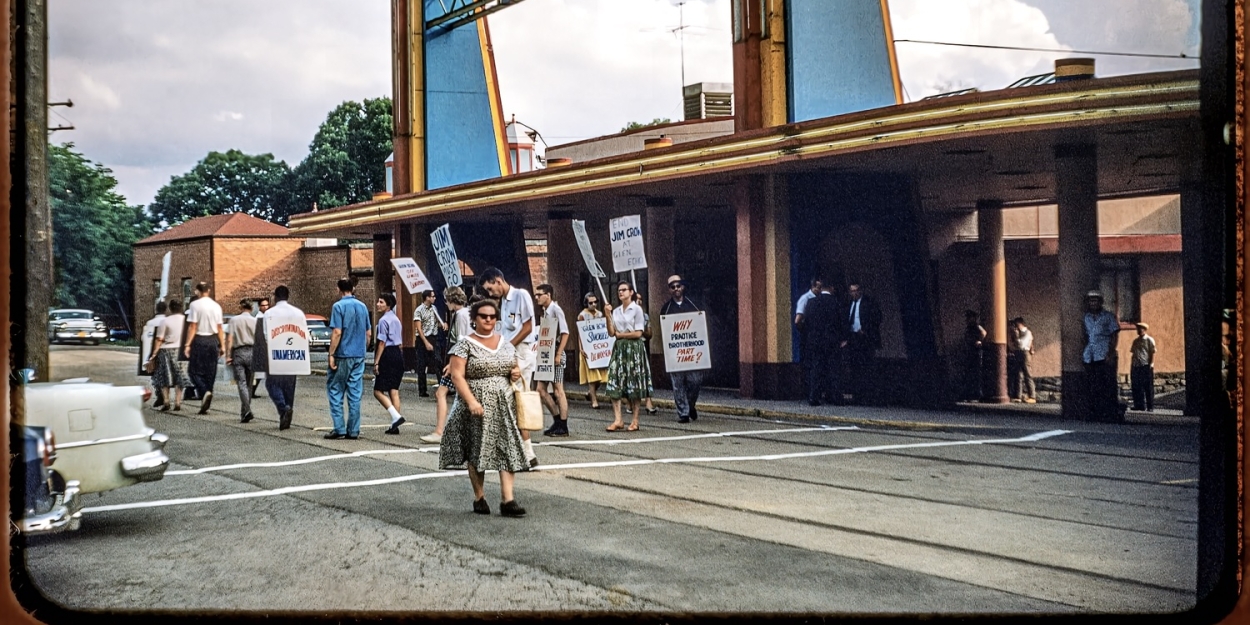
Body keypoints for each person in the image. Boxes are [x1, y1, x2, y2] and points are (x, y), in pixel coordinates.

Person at [438, 299, 529, 517]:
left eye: (492, 316)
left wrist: (515, 372)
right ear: (475, 319)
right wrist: (471, 401)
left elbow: (513, 366)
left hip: (503, 404)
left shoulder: (505, 343)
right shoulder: (464, 344)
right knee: (477, 450)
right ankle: (479, 497)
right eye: (483, 316)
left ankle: (508, 500)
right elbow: (457, 376)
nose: (488, 320)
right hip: (475, 405)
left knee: (507, 448)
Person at [479, 267, 539, 467]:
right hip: (509, 352)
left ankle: (526, 452)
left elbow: (528, 326)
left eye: (490, 288)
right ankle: (522, 451)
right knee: (508, 401)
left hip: (521, 351)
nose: (490, 293)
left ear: (498, 280)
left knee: (517, 400)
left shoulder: (521, 295)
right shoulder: (502, 303)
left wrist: (507, 346)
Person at [325, 278, 372, 440]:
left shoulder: (338, 306)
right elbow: (368, 333)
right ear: (353, 288)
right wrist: (363, 348)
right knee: (355, 392)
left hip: (343, 353)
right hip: (359, 353)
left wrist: (331, 354)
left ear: (339, 289)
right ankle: (353, 429)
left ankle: (339, 428)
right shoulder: (363, 306)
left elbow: (337, 332)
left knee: (335, 389)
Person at [423, 286, 470, 444]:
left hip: (458, 361)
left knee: (442, 393)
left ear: (451, 300)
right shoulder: (463, 314)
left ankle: (440, 431)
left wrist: (452, 363)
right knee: (459, 397)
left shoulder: (461, 315)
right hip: (459, 361)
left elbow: (462, 341)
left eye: (446, 300)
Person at [603, 281, 652, 431]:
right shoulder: (616, 311)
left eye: (624, 290)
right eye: (619, 290)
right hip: (619, 348)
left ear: (631, 292)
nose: (621, 292)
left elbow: (638, 332)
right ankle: (618, 419)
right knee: (615, 380)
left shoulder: (637, 310)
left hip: (634, 347)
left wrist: (621, 334)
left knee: (634, 382)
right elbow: (611, 332)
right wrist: (607, 315)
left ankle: (635, 420)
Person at [252, 286, 302, 430]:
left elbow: (267, 337)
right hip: (292, 354)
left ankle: (283, 408)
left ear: (275, 297)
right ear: (288, 296)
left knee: (272, 384)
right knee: (289, 386)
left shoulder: (269, 314)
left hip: (275, 354)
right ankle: (287, 411)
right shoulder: (297, 313)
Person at [659, 275, 703, 423]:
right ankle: (683, 413)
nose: (676, 289)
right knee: (677, 384)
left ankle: (690, 406)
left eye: (678, 286)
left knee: (695, 381)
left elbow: (701, 325)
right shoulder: (666, 309)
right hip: (675, 354)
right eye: (673, 287)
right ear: (669, 290)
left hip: (693, 352)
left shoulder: (694, 304)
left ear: (683, 287)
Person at [183, 282, 225, 414]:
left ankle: (204, 392)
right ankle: (208, 395)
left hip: (200, 339)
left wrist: (187, 344)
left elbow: (193, 326)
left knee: (193, 371)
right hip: (213, 340)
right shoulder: (216, 306)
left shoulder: (195, 305)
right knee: (210, 371)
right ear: (209, 290)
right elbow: (219, 328)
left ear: (197, 291)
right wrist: (222, 345)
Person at [535, 284, 571, 437]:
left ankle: (563, 424)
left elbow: (565, 332)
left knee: (558, 389)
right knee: (541, 390)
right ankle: (557, 420)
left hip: (555, 351)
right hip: (546, 352)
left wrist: (558, 354)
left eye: (540, 294)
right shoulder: (545, 312)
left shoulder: (556, 310)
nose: (537, 297)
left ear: (548, 295)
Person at [1083, 290, 1123, 422]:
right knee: (1093, 385)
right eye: (1091, 301)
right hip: (1090, 355)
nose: (1093, 303)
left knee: (1108, 385)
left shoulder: (1108, 317)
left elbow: (1114, 335)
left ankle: (1110, 413)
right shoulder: (1087, 317)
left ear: (1100, 302)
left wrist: (1110, 353)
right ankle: (1095, 413)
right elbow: (1086, 335)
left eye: (1095, 301)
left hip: (1104, 354)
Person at [841, 282, 882, 404]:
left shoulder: (869, 302)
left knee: (866, 366)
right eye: (852, 291)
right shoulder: (849, 304)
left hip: (865, 338)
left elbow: (877, 317)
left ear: (861, 291)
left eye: (856, 290)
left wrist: (866, 329)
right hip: (853, 338)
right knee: (854, 366)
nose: (854, 293)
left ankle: (868, 394)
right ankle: (857, 394)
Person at [801, 287, 842, 406]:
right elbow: (840, 321)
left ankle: (813, 396)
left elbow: (806, 321)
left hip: (815, 341)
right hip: (831, 340)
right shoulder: (835, 302)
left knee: (816, 368)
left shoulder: (811, 302)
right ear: (832, 288)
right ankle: (835, 397)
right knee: (834, 369)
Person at [373, 293, 407, 434]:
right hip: (398, 354)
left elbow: (382, 342)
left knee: (378, 390)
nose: (378, 304)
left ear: (388, 305)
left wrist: (376, 362)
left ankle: (395, 416)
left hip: (387, 354)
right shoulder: (396, 319)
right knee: (394, 389)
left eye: (381, 302)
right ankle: (395, 424)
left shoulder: (383, 321)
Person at [147, 299, 187, 412]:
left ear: (170, 308)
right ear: (181, 307)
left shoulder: (165, 321)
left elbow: (159, 339)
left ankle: (166, 401)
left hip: (165, 351)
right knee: (180, 376)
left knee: (165, 376)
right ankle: (178, 402)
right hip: (181, 350)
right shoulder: (186, 320)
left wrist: (154, 354)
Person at [224, 299, 257, 423]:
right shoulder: (255, 321)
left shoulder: (234, 320)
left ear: (241, 307)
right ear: (252, 308)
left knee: (241, 383)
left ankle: (247, 410)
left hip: (239, 352)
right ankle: (244, 413)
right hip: (252, 352)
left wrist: (228, 355)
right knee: (249, 384)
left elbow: (229, 339)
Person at [577, 292, 609, 409]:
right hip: (587, 348)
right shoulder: (582, 315)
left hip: (598, 348)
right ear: (586, 303)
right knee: (592, 375)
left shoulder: (600, 314)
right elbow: (580, 333)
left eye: (595, 302)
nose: (593, 304)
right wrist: (581, 347)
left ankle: (591, 393)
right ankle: (594, 400)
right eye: (591, 303)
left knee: (601, 376)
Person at [412, 289, 444, 398]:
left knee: (438, 362)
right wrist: (425, 342)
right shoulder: (419, 310)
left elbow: (436, 323)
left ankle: (443, 386)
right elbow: (419, 328)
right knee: (422, 365)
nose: (434, 298)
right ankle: (422, 390)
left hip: (433, 337)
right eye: (432, 296)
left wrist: (442, 325)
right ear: (427, 298)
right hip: (422, 339)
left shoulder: (434, 309)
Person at [634, 292, 658, 416]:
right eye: (636, 299)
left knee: (645, 374)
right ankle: (630, 402)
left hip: (642, 346)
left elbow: (649, 334)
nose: (639, 301)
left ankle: (648, 402)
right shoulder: (625, 315)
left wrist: (641, 330)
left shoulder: (645, 316)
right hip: (630, 346)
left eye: (641, 299)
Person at [143, 300, 169, 408]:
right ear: (166, 309)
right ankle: (166, 396)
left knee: (155, 375)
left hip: (153, 351)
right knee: (166, 374)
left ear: (156, 309)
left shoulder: (150, 323)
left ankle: (160, 396)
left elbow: (144, 338)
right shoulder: (168, 321)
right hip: (166, 350)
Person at [794, 278, 823, 373]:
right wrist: (805, 331)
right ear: (813, 287)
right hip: (808, 337)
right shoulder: (805, 299)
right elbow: (798, 320)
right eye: (818, 287)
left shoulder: (818, 298)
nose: (820, 290)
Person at [1008, 317, 1037, 403]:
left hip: (1024, 353)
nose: (1015, 327)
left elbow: (1021, 344)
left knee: (1027, 374)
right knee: (1018, 375)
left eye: (1016, 324)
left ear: (1020, 324)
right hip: (1017, 353)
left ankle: (1032, 396)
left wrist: (1016, 336)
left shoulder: (1027, 333)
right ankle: (1018, 396)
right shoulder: (1018, 333)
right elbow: (1013, 345)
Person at [1130, 322, 1157, 412]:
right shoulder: (1136, 341)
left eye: (1140, 329)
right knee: (1137, 386)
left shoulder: (1149, 340)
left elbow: (1152, 352)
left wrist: (1151, 364)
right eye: (1138, 329)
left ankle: (1150, 406)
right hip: (1136, 366)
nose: (1139, 330)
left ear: (1144, 330)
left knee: (1148, 386)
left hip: (1146, 365)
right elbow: (1134, 353)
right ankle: (1139, 405)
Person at [961, 310, 986, 401]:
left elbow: (984, 332)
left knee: (976, 374)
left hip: (975, 352)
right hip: (970, 351)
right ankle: (970, 394)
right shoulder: (969, 328)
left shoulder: (976, 326)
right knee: (969, 374)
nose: (967, 319)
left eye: (969, 317)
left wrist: (980, 341)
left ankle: (977, 395)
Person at [251, 296, 269, 398]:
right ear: (259, 307)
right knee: (259, 373)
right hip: (261, 347)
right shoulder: (259, 318)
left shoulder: (265, 317)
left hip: (264, 347)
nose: (265, 307)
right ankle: (251, 391)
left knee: (261, 373)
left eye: (267, 305)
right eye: (263, 305)